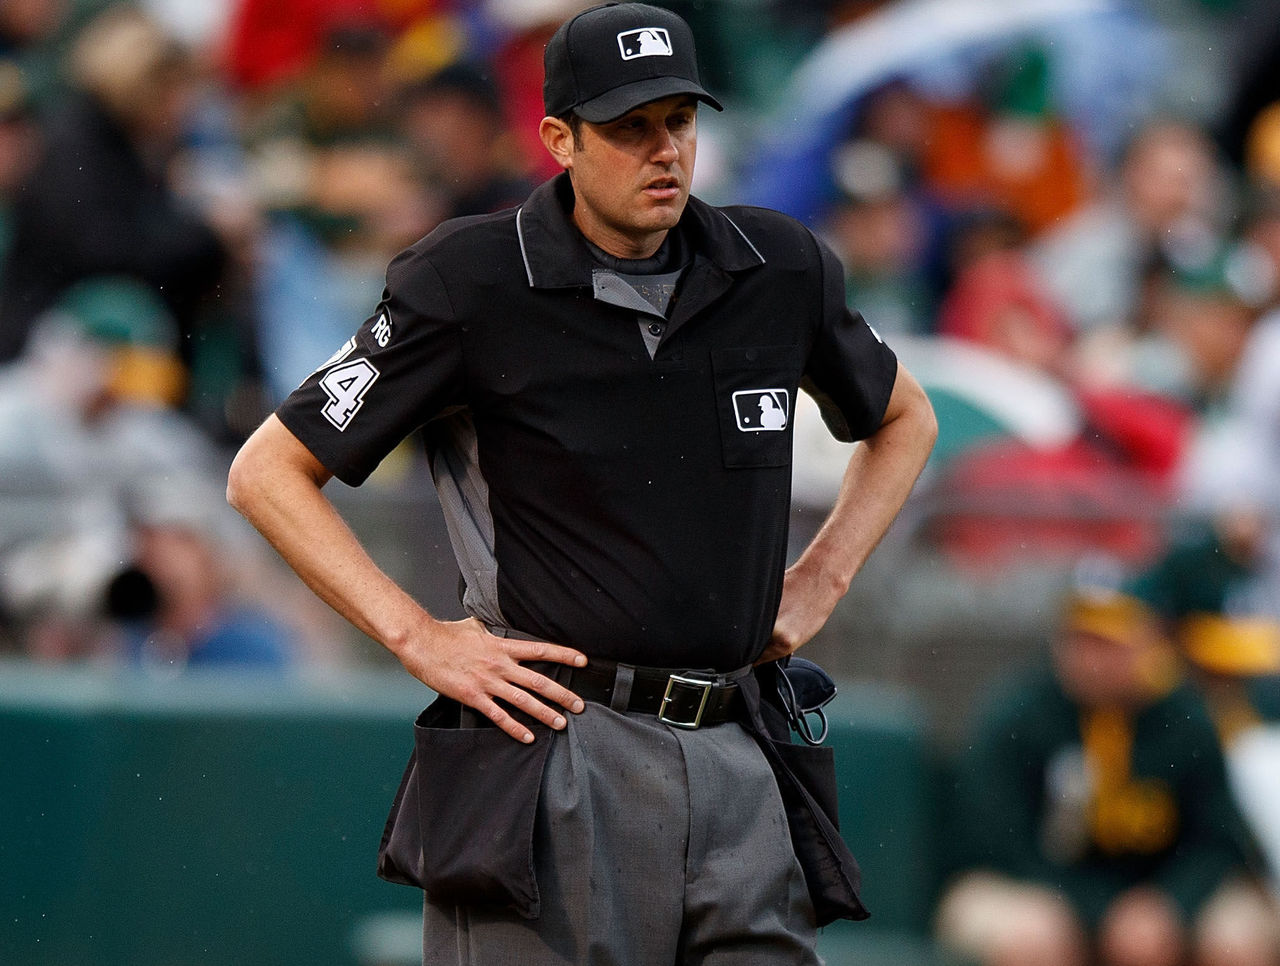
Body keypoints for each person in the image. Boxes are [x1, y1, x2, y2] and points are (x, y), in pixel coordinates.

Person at [226, 3, 936, 962]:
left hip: (739, 748)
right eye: (629, 128)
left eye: (679, 121)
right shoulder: (470, 279)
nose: (664, 152)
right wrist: (417, 636)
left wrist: (824, 575)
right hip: (560, 747)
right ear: (558, 138)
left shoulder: (777, 267)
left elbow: (905, 419)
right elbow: (268, 469)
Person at [934, 579, 1276, 966]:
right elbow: (997, 845)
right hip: (1031, 888)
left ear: (1149, 643)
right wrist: (1101, 909)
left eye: (1109, 642)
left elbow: (1216, 842)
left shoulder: (1185, 719)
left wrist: (1170, 904)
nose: (1092, 657)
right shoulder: (1017, 715)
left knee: (1236, 938)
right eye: (1080, 640)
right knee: (1032, 935)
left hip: (1157, 892)